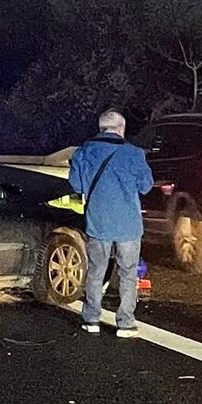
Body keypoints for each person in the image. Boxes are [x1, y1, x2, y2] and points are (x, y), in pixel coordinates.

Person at [68, 109, 153, 338]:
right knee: (128, 274)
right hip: (128, 224)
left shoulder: (83, 152)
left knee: (96, 271)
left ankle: (91, 319)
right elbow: (146, 186)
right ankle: (125, 323)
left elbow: (76, 185)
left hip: (97, 222)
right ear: (121, 128)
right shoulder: (134, 154)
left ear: (100, 128)